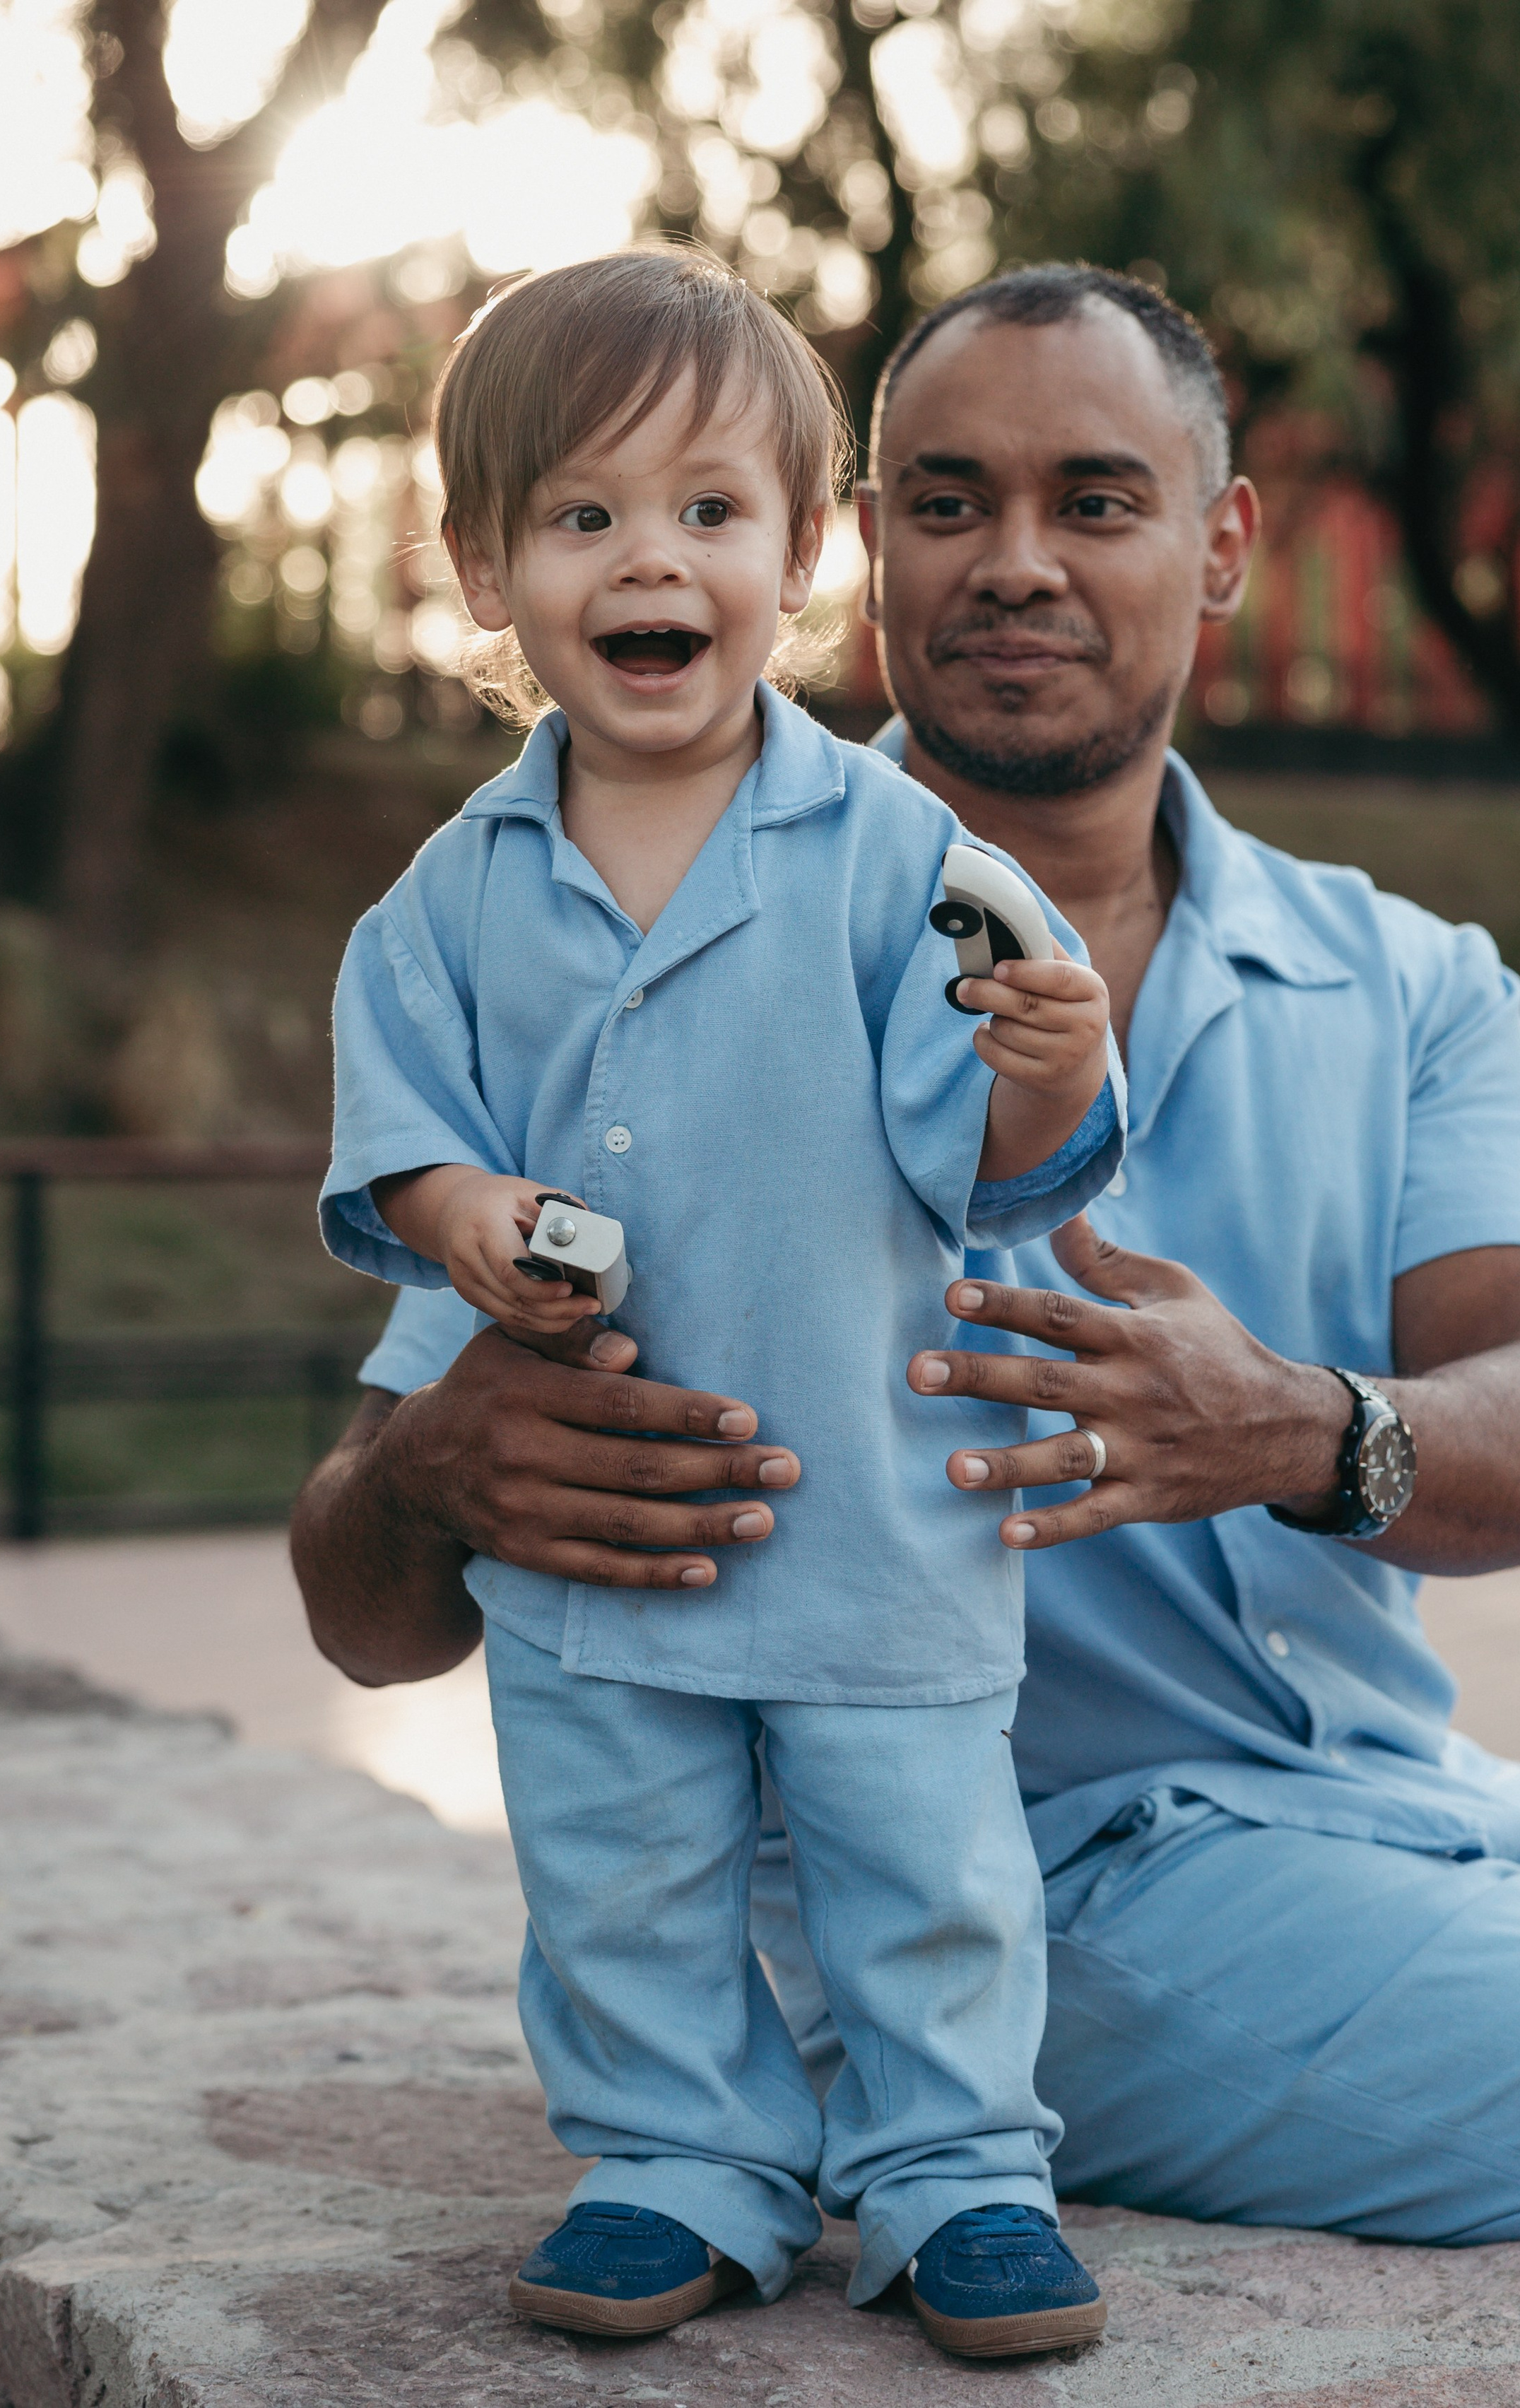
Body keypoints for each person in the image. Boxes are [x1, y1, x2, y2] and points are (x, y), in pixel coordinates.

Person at [292, 266, 1520, 2408]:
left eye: (1096, 500)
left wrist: (1291, 1427)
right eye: (953, 503)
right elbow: (364, 1618)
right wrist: (430, 1462)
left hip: (1425, 1816)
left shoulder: (1411, 978)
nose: (1015, 564)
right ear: (865, 546)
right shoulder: (589, 924)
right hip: (1020, 1899)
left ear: (1225, 542)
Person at [318, 249, 1127, 2358]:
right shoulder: (452, 895)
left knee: (921, 1866)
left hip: (866, 1494)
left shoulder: (893, 854)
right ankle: (678, 2158)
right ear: (486, 572)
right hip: (599, 1552)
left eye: (706, 512)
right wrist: (460, 1208)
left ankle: (957, 2172)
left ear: (803, 556)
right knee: (621, 1868)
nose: (647, 560)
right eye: (583, 519)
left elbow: (1006, 1157)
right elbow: (407, 1120)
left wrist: (1048, 1069)